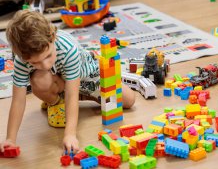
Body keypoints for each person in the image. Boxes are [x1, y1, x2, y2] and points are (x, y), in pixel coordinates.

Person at [0, 10, 135, 154]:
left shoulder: (69, 49)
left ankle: (85, 97)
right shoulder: (21, 59)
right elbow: (18, 100)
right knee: (40, 79)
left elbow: (72, 93)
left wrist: (70, 134)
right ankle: (57, 101)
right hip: (59, 81)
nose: (45, 65)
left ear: (52, 37)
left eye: (48, 56)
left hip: (86, 76)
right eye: (35, 63)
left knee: (128, 100)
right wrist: (10, 139)